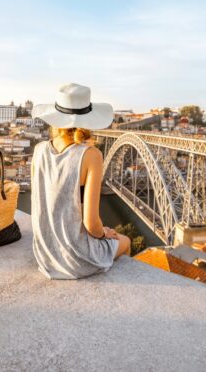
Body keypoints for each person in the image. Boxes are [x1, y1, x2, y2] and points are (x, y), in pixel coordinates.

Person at [30, 82, 131, 280]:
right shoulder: (91, 155)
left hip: (45, 255)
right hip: (77, 260)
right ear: (88, 120)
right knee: (125, 240)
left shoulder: (39, 150)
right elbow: (91, 224)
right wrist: (104, 233)